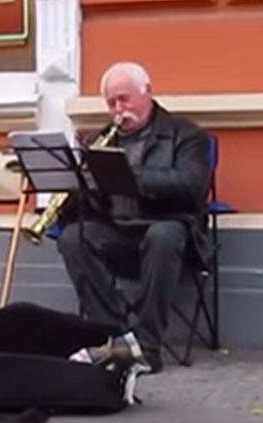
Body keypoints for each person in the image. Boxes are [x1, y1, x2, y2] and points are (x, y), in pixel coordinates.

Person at [56, 61, 213, 374]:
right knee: (73, 237)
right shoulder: (103, 140)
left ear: (147, 93)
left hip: (170, 231)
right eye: (112, 102)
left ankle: (147, 346)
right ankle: (115, 338)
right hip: (118, 230)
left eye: (124, 99)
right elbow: (90, 208)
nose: (118, 109)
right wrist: (78, 187)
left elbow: (192, 186)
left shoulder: (186, 134)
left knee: (163, 235)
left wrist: (130, 176)